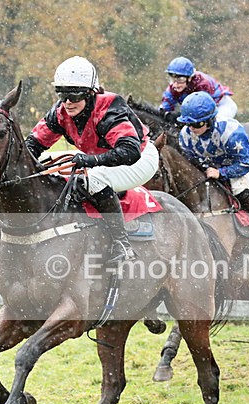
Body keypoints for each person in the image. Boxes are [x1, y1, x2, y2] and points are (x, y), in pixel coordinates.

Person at [25, 56, 158, 264]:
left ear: (91, 93)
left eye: (74, 95)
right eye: (62, 94)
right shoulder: (61, 112)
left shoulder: (109, 109)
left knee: (92, 180)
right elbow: (32, 145)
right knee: (60, 173)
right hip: (104, 161)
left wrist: (90, 160)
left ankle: (122, 245)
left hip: (140, 159)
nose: (67, 102)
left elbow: (130, 152)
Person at [176, 91, 249, 244]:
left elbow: (244, 163)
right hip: (214, 162)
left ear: (209, 120)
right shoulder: (185, 136)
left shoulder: (231, 132)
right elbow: (193, 159)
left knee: (238, 188)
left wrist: (221, 173)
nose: (191, 128)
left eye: (196, 124)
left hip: (242, 160)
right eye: (188, 123)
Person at [160, 56, 237, 121]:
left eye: (180, 79)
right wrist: (165, 112)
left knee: (214, 124)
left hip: (222, 106)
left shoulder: (202, 84)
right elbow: (165, 106)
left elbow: (200, 113)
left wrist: (178, 115)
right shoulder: (173, 87)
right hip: (206, 109)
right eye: (172, 79)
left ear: (189, 78)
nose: (175, 84)